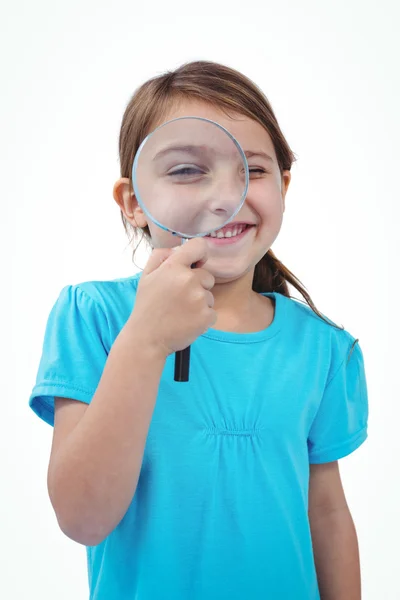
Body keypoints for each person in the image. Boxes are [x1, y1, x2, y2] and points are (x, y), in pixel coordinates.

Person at [29, 61, 369, 600]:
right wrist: (145, 340)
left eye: (252, 171)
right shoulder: (93, 315)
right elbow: (82, 518)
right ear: (135, 201)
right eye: (188, 170)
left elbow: (326, 513)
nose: (222, 196)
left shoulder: (325, 350)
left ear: (283, 185)